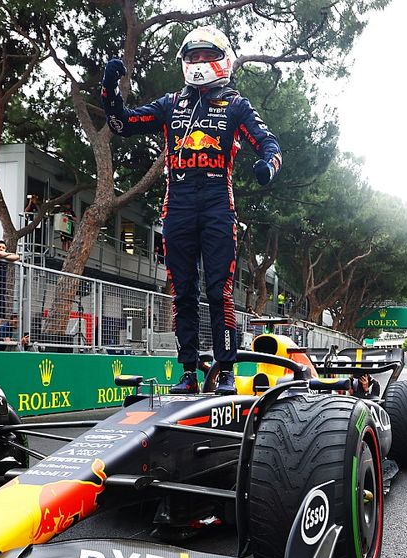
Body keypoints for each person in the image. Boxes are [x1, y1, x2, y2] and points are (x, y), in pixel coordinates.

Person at [101, 26, 282, 396]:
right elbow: (121, 124)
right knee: (181, 291)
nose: (198, 63)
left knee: (220, 291)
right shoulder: (170, 104)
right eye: (192, 57)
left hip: (218, 201)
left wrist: (267, 167)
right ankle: (187, 372)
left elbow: (270, 144)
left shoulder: (235, 104)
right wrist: (109, 88)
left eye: (205, 56)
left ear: (223, 60)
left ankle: (227, 371)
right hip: (178, 201)